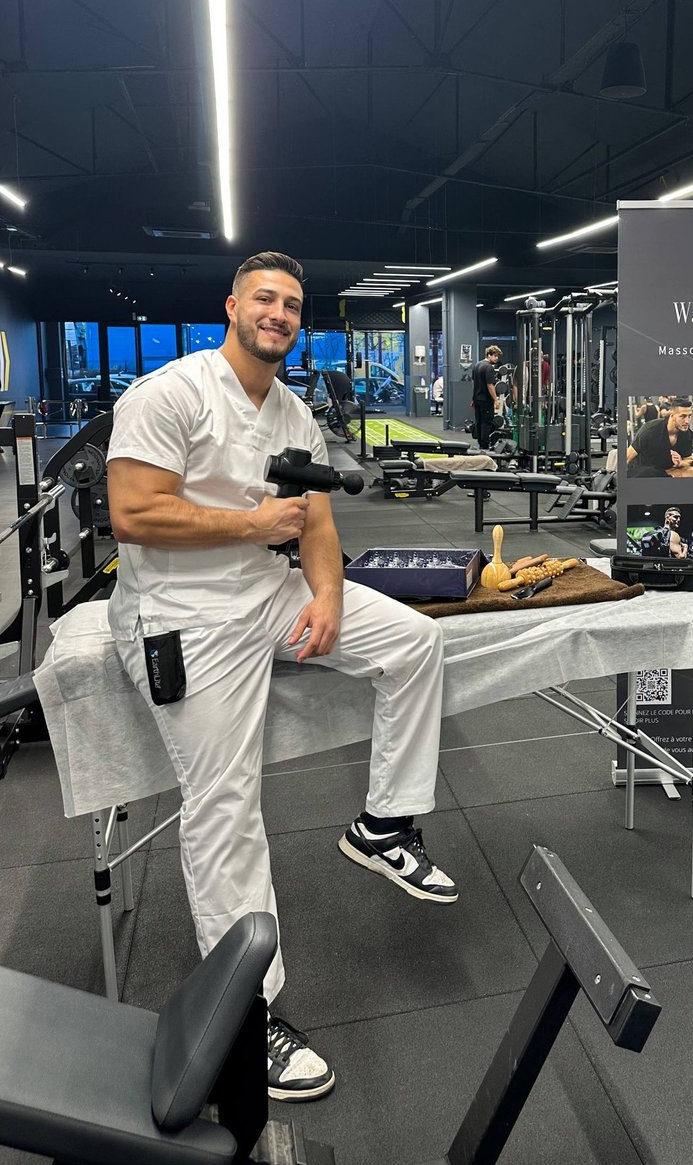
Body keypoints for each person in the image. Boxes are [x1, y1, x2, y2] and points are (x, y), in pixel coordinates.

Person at [106, 252, 457, 1105]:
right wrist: (251, 523)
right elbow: (133, 511)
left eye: (293, 304)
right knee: (226, 803)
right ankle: (245, 1015)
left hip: (268, 591)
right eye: (264, 298)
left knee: (415, 641)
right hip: (184, 612)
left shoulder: (294, 410)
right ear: (232, 306)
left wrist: (328, 595)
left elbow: (317, 523)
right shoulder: (170, 394)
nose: (279, 313)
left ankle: (382, 824)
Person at [626, 400, 693, 477]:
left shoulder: (687, 434)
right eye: (683, 416)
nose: (687, 421)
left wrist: (681, 462)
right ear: (671, 415)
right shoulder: (650, 430)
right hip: (644, 471)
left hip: (667, 470)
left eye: (689, 416)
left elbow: (688, 459)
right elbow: (627, 457)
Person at [471, 345, 501, 449]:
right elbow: (490, 385)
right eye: (495, 356)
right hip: (485, 400)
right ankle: (484, 446)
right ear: (488, 355)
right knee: (486, 423)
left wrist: (473, 398)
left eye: (497, 356)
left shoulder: (477, 365)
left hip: (477, 399)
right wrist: (496, 400)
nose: (496, 358)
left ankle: (480, 443)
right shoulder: (489, 367)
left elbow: (474, 384)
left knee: (479, 421)